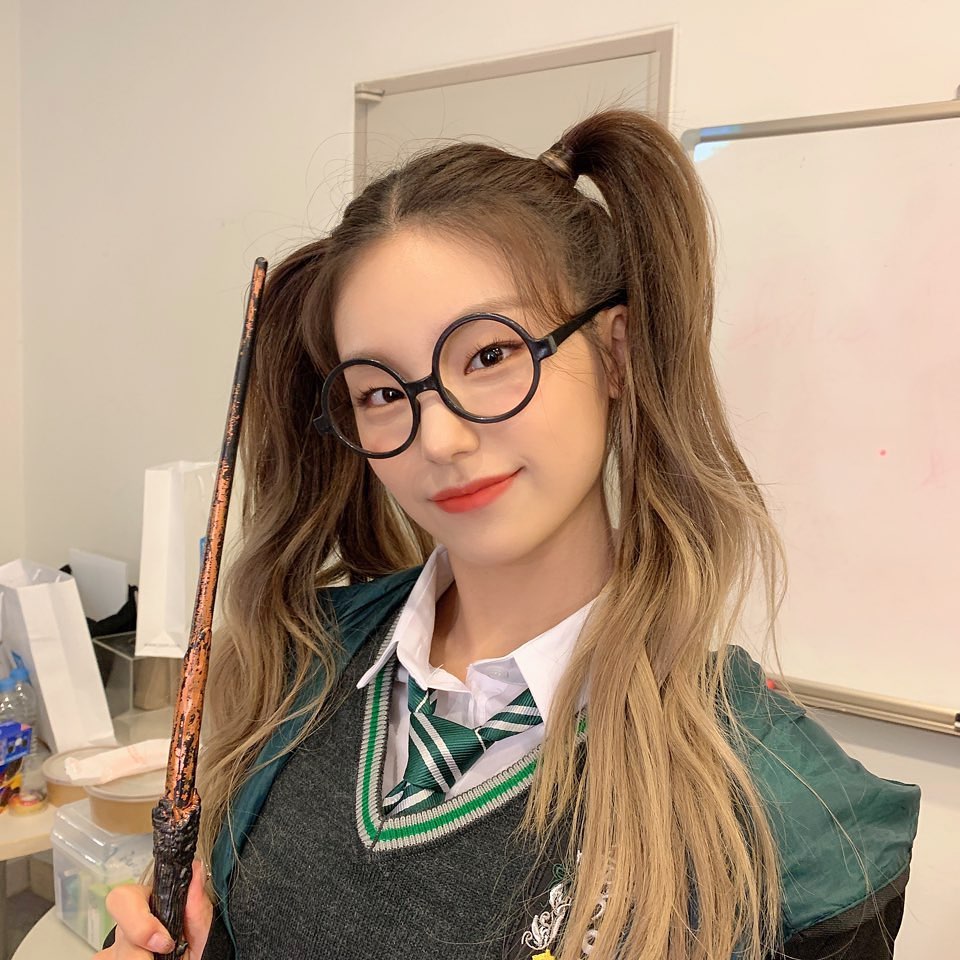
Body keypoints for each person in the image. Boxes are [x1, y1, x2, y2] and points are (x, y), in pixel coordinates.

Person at [97, 107, 920, 960]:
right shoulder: (293, 666)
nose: (439, 439)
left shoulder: (776, 804)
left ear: (617, 353)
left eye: (489, 356)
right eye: (383, 393)